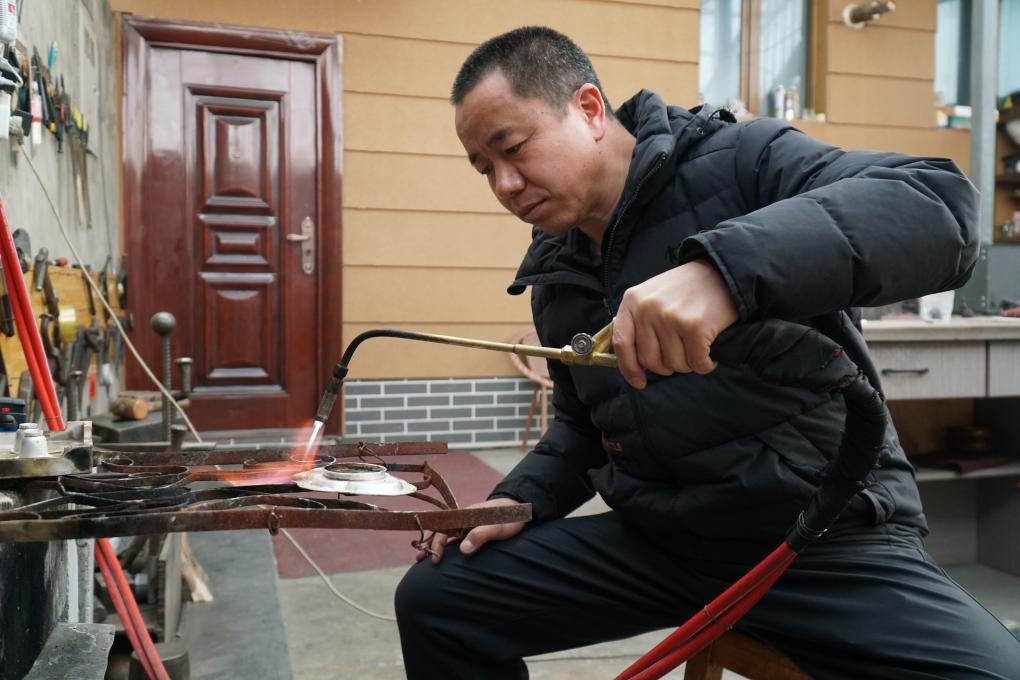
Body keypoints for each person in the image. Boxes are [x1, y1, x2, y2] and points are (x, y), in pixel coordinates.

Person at [394, 26, 1020, 679]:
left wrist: (724, 271)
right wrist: (515, 498)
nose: (505, 184)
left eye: (512, 149)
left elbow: (939, 205)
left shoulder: (742, 161)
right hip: (661, 544)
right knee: (438, 601)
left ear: (588, 109)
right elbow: (583, 429)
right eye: (484, 169)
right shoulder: (557, 269)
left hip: (817, 537)